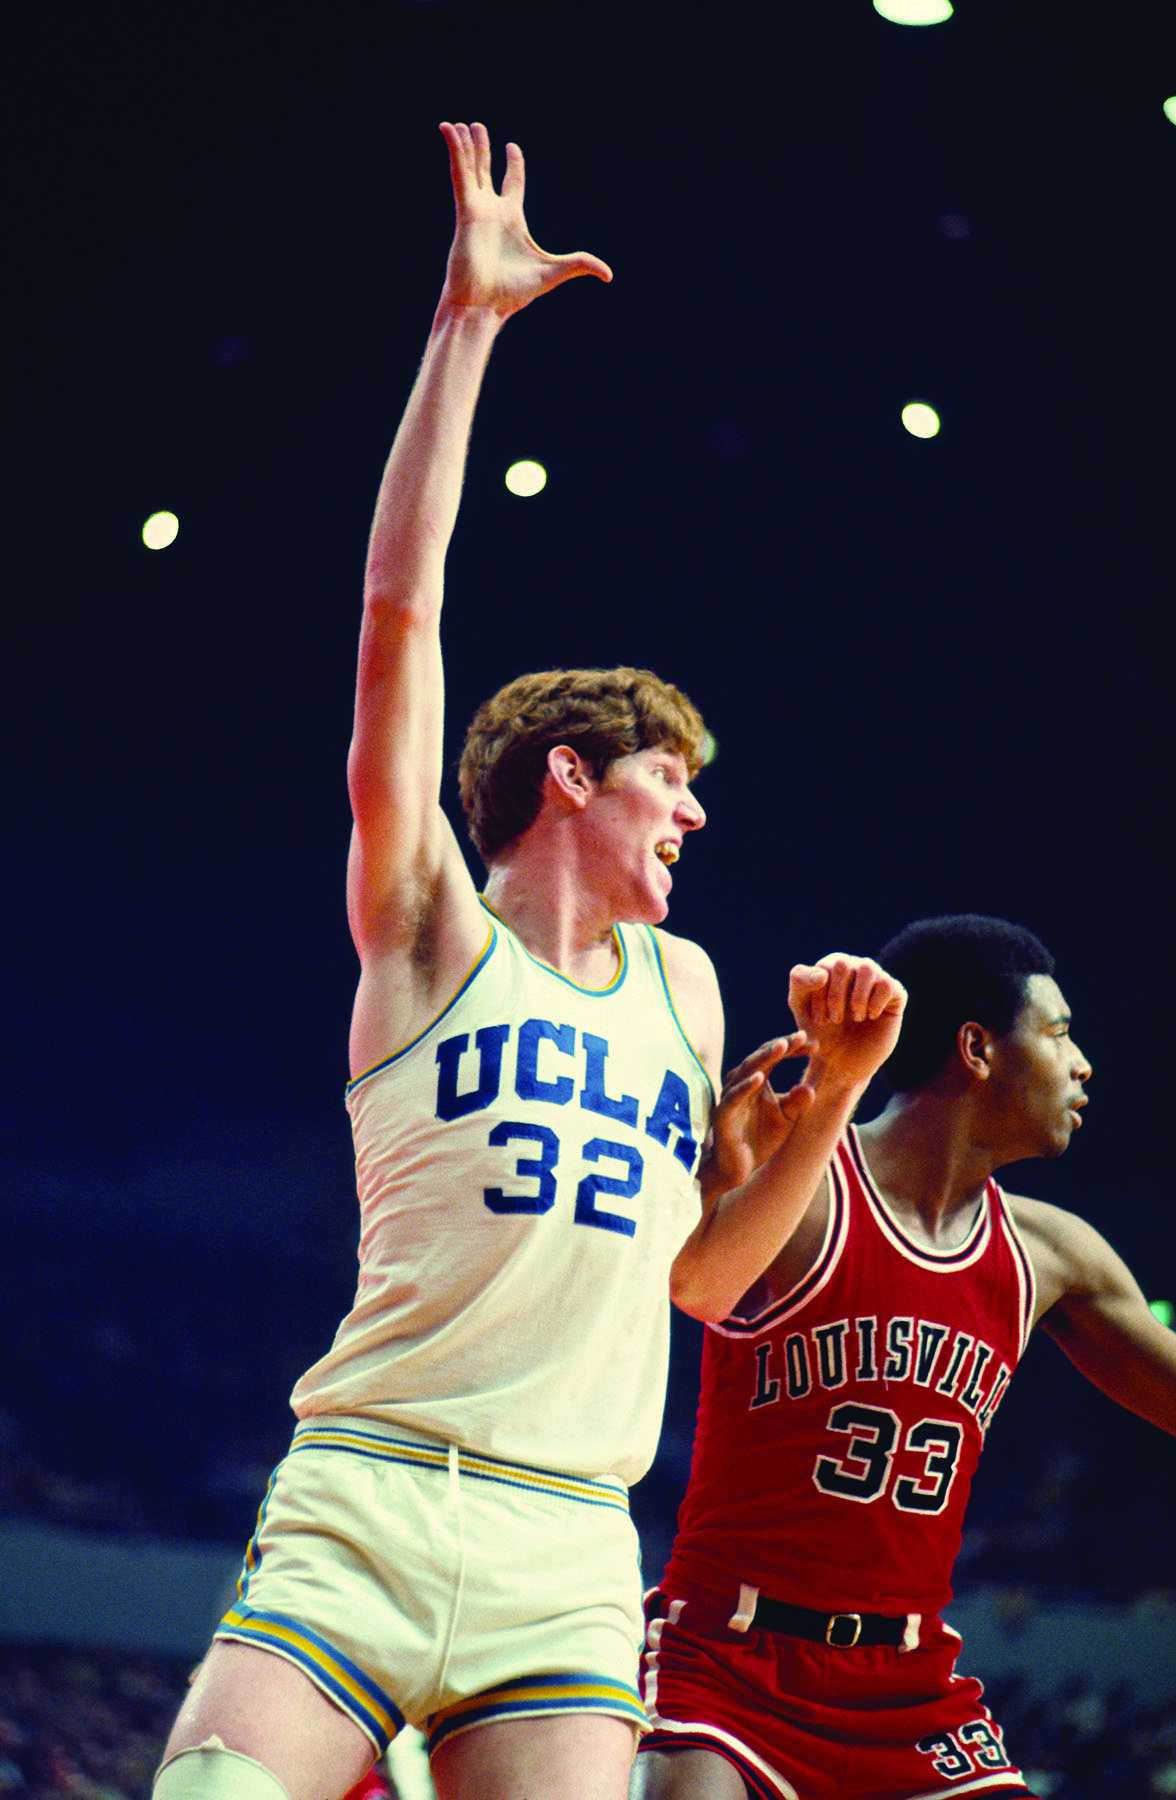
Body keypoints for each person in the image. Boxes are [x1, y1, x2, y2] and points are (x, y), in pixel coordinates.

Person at [152, 122, 905, 1800]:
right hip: (369, 1493)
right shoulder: (429, 924)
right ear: (572, 777)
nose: (697, 817)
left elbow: (706, 1281)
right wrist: (467, 328)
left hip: (569, 1530)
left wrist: (838, 1100)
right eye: (671, 781)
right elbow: (398, 615)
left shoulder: (690, 990)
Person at [633, 913, 1176, 1800]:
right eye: (1058, 1035)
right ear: (976, 1048)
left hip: (910, 1683)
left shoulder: (1053, 1256)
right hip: (729, 1660)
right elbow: (687, 1282)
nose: (1083, 1063)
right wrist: (726, 1178)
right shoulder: (803, 1186)